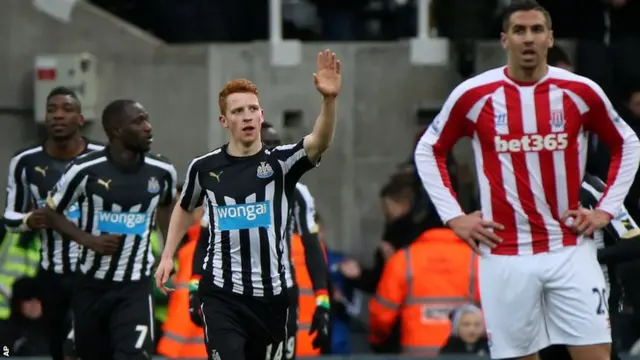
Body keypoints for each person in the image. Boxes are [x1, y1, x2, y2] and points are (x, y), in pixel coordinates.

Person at [413, 1, 640, 359]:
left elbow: (626, 142)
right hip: (505, 254)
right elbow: (429, 149)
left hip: (570, 248)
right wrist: (453, 216)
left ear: (550, 38)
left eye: (537, 30)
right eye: (519, 30)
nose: (528, 38)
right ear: (505, 39)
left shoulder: (580, 91)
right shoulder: (475, 94)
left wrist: (607, 210)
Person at [155, 48, 341, 360]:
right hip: (222, 296)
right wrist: (167, 255)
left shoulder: (282, 163)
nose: (247, 116)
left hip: (273, 297)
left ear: (262, 115)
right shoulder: (204, 167)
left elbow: (319, 141)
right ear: (224, 120)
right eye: (238, 111)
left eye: (253, 109)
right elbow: (185, 208)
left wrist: (329, 100)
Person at [43, 99, 178, 360]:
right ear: (116, 130)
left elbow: (165, 206)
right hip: (91, 285)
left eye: (147, 120)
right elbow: (50, 212)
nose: (148, 128)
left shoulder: (162, 170)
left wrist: (167, 252)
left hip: (135, 286)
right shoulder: (83, 169)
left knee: (134, 355)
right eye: (138, 122)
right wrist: (88, 241)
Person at [2, 86, 104, 360]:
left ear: (80, 119)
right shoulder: (25, 161)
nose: (58, 115)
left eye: (67, 110)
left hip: (94, 273)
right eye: (51, 110)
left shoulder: (103, 157)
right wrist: (27, 220)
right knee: (56, 349)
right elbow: (10, 218)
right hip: (50, 275)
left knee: (86, 345)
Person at [539, 173, 640, 360]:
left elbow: (635, 241)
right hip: (545, 300)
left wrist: (587, 258)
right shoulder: (525, 190)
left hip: (597, 296)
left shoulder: (594, 190)